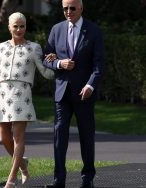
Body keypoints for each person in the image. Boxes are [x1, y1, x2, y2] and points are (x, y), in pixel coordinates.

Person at [0, 12, 55, 188]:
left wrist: (55, 64)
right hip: (1, 96)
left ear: (25, 27)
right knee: (3, 139)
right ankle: (23, 166)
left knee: (18, 138)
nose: (19, 29)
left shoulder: (34, 48)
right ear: (9, 27)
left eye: (22, 26)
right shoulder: (0, 47)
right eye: (15, 26)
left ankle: (11, 179)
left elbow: (46, 72)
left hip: (21, 96)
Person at [43, 0, 104, 188]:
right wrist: (59, 64)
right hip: (62, 93)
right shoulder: (57, 29)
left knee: (86, 136)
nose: (68, 12)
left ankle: (87, 179)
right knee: (59, 137)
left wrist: (90, 86)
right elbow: (47, 57)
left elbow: (99, 64)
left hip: (84, 93)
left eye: (72, 8)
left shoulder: (93, 30)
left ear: (81, 8)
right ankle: (58, 180)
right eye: (65, 8)